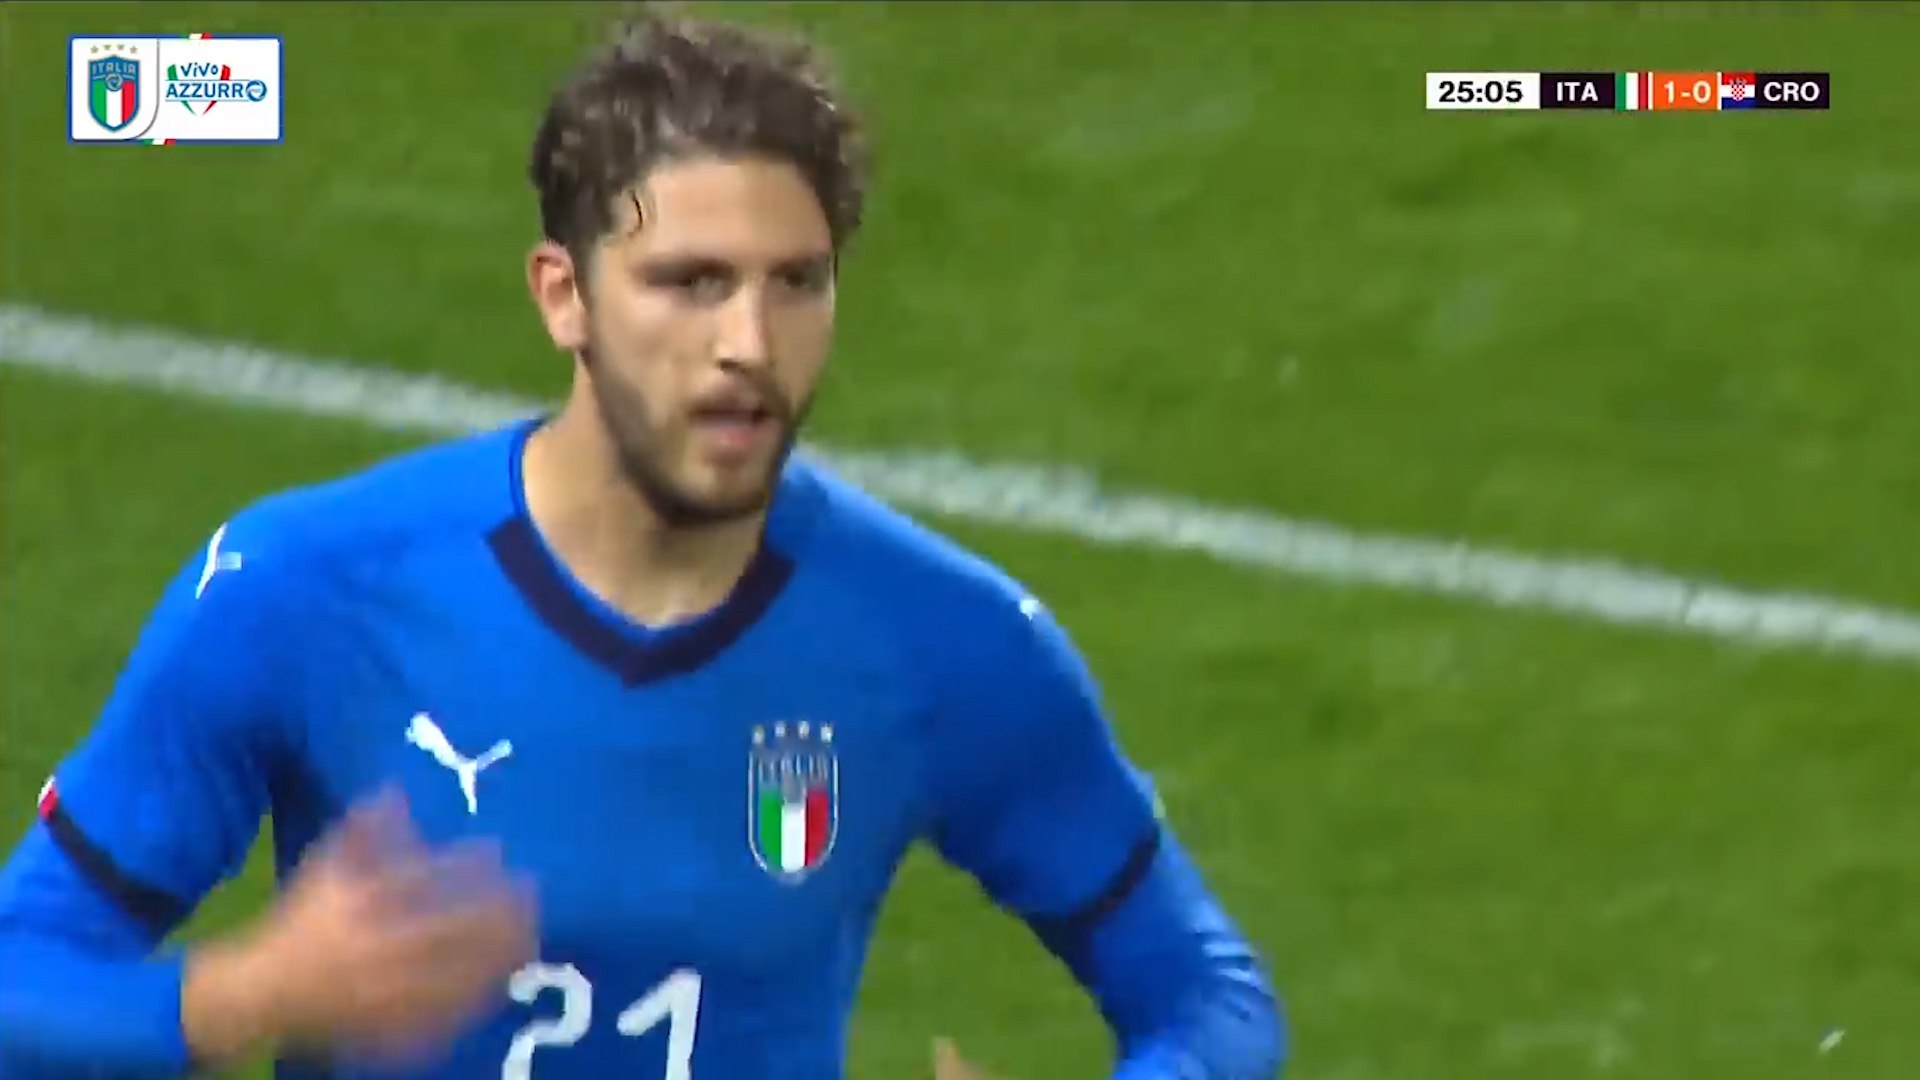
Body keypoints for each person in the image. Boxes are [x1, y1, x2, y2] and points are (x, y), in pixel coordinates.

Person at [0, 10, 1285, 1079]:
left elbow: (1209, 995)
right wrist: (240, 994)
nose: (750, 346)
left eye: (797, 282)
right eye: (691, 282)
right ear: (563, 296)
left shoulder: (943, 643)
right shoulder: (304, 592)